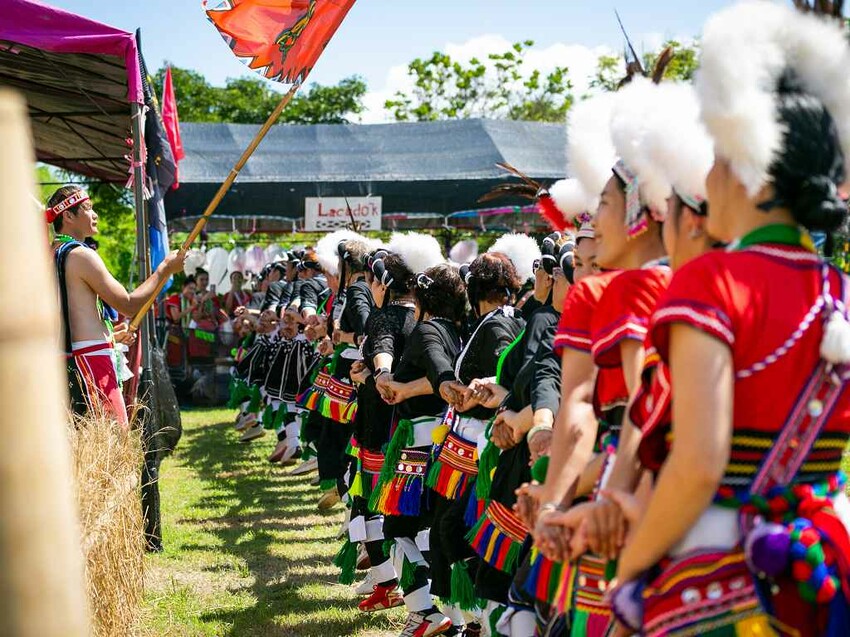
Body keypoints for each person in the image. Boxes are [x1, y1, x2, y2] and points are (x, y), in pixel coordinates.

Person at [610, 4, 850, 635]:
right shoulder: (839, 291)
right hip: (821, 577)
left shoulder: (712, 282)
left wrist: (629, 573)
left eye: (717, 158)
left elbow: (698, 464)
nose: (708, 176)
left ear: (751, 170)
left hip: (716, 572)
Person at [48, 184, 185, 427]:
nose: (95, 215)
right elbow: (128, 305)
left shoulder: (50, 253)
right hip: (91, 361)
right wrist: (164, 269)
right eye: (88, 208)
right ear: (68, 216)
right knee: (113, 437)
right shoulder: (81, 255)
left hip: (64, 360)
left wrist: (112, 336)